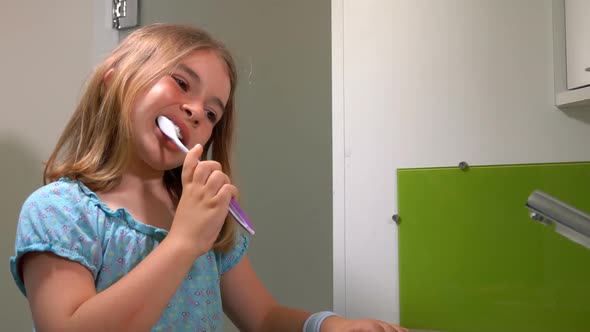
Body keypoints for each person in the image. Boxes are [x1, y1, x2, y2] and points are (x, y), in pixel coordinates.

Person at [9, 23, 408, 332]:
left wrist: (328, 325)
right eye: (182, 83)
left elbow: (264, 318)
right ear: (114, 79)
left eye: (212, 113)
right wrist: (183, 241)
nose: (198, 112)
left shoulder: (201, 213)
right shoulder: (59, 210)